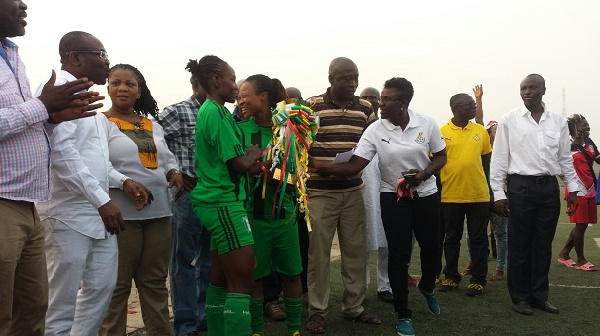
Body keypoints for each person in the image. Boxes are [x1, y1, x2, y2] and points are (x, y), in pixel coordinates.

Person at [34, 31, 149, 336]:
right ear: (74, 57)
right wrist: (102, 200)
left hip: (97, 214)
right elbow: (62, 156)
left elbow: (96, 160)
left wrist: (123, 181)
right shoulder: (57, 92)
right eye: (101, 54)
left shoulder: (91, 102)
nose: (107, 62)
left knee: (100, 290)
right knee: (61, 301)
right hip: (68, 214)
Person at [311, 77, 446, 336]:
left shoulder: (426, 123)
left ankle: (427, 286)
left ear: (403, 103)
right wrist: (320, 168)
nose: (380, 104)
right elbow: (355, 165)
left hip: (426, 194)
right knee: (398, 253)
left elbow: (441, 157)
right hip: (393, 196)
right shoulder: (375, 130)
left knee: (431, 248)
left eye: (387, 99)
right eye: (381, 98)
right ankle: (403, 314)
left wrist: (425, 174)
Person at [0, 2, 104, 335]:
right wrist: (43, 106)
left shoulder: (13, 57)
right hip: (6, 202)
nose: (23, 4)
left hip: (28, 205)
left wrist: (49, 118)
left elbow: (25, 127)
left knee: (32, 312)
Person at [99, 64, 183, 336]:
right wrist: (124, 182)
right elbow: (97, 164)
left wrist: (174, 170)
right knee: (118, 285)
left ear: (139, 91)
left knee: (155, 282)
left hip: (159, 213)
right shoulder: (100, 122)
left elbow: (166, 156)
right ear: (108, 88)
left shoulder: (152, 124)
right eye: (116, 83)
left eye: (129, 84)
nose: (122, 88)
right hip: (122, 218)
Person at [490, 74, 580, 316]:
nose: (527, 92)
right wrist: (498, 192)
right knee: (520, 245)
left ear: (543, 90)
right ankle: (520, 297)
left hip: (549, 189)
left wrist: (572, 188)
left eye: (532, 87)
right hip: (520, 187)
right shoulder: (509, 120)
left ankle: (539, 296)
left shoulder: (558, 122)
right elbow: (499, 159)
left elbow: (564, 159)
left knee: (542, 247)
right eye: (523, 88)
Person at [188, 55, 264, 336]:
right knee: (243, 284)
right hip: (223, 204)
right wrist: (255, 154)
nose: (236, 86)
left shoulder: (211, 110)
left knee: (220, 281)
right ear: (217, 80)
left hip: (219, 202)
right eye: (233, 79)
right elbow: (240, 164)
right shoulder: (217, 113)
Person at [305, 57, 381, 334]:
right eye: (345, 78)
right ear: (330, 79)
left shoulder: (365, 107)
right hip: (319, 193)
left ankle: (354, 307)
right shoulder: (311, 106)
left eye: (355, 78)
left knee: (356, 252)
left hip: (352, 191)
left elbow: (371, 142)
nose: (352, 84)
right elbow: (299, 144)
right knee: (319, 255)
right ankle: (317, 311)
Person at [237, 74, 304, 336]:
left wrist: (284, 174)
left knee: (292, 274)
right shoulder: (240, 130)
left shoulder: (289, 129)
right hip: (253, 216)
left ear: (263, 97)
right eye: (239, 96)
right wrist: (259, 168)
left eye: (245, 95)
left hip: (284, 214)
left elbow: (299, 169)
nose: (240, 101)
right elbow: (238, 170)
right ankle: (256, 331)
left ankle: (295, 330)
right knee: (255, 277)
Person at [157, 59, 211, 336]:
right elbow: (152, 144)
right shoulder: (177, 112)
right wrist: (174, 171)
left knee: (208, 262)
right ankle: (186, 325)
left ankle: (204, 319)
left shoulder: (221, 114)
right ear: (196, 84)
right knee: (183, 262)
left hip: (214, 196)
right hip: (186, 197)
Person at [439, 92, 492, 296]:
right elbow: (434, 162)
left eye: (474, 104)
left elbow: (486, 163)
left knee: (478, 239)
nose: (473, 108)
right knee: (451, 238)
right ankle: (451, 277)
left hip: (478, 195)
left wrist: (491, 192)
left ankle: (478, 279)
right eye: (469, 105)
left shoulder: (480, 131)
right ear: (455, 108)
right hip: (450, 195)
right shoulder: (441, 131)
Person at [359, 87, 395, 302]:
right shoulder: (356, 126)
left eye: (374, 97)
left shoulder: (388, 127)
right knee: (360, 242)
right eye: (365, 97)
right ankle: (361, 286)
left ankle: (385, 285)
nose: (370, 101)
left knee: (387, 242)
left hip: (387, 191)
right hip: (363, 194)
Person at [558, 114, 597, 271]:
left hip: (590, 190)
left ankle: (565, 253)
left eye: (587, 124)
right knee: (580, 225)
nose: (587, 127)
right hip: (576, 191)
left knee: (583, 225)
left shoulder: (590, 143)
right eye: (583, 125)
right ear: (573, 128)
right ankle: (581, 260)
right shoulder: (567, 145)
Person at [485, 120, 509, 281]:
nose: (498, 132)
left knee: (501, 234)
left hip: (499, 197)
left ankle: (500, 268)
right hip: (480, 196)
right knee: (472, 234)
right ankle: (474, 262)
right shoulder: (483, 150)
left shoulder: (508, 151)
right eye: (495, 129)